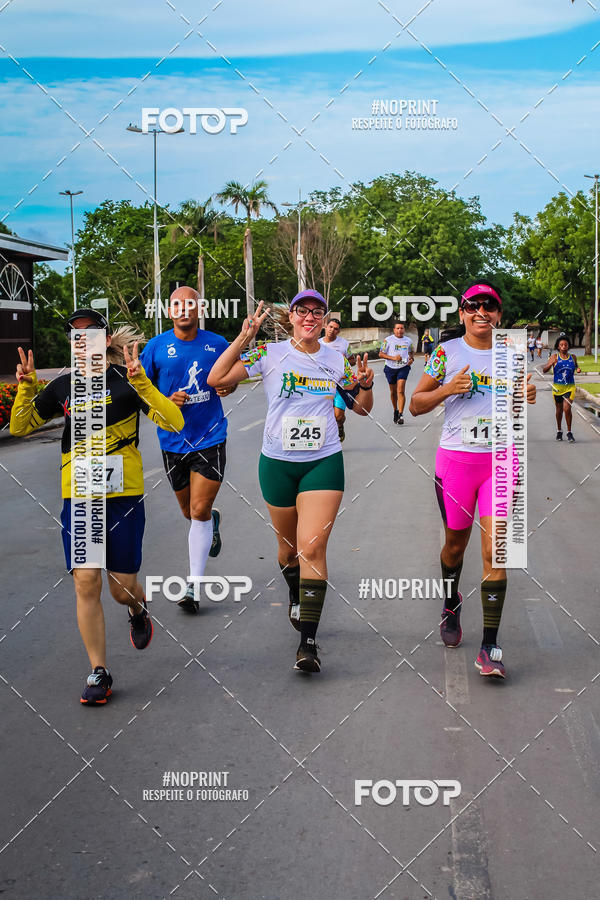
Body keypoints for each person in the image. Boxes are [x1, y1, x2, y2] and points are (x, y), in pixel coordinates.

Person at [10, 310, 184, 704]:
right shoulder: (63, 387)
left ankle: (137, 609)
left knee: (121, 589)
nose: (82, 339)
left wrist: (144, 384)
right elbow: (20, 427)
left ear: (106, 341)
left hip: (122, 496)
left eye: (90, 333)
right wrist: (25, 387)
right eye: (75, 335)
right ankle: (98, 672)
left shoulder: (127, 379)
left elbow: (173, 422)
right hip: (80, 498)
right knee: (85, 582)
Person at [207, 288, 374, 673]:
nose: (310, 318)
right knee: (287, 552)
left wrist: (365, 384)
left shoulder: (337, 360)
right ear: (292, 317)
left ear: (324, 318)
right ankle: (296, 594)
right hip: (277, 464)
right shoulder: (270, 354)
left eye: (318, 312)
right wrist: (245, 336)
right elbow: (217, 378)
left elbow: (363, 410)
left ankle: (308, 642)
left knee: (311, 549)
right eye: (303, 311)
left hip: (323, 463)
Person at [409, 281, 536, 679]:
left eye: (490, 306)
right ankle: (451, 601)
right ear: (462, 312)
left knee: (497, 552)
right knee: (454, 545)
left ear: (499, 314)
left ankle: (490, 647)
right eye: (473, 305)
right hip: (456, 463)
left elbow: (513, 404)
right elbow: (415, 405)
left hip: (501, 459)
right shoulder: (444, 353)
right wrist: (448, 388)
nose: (481, 312)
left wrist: (525, 395)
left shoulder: (512, 354)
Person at [140, 286, 235, 614]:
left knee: (197, 511)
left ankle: (193, 586)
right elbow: (142, 393)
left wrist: (229, 384)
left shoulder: (217, 344)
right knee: (189, 512)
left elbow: (231, 378)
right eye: (177, 305)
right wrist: (165, 402)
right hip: (173, 443)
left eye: (189, 304)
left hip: (210, 438)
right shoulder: (155, 347)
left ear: (199, 308)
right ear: (169, 311)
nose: (183, 309)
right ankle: (213, 522)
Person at [319, 316, 356, 442]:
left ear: (338, 331)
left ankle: (340, 425)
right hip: (322, 385)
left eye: (335, 329)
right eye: (330, 327)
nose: (332, 330)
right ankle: (328, 438)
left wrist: (341, 361)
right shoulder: (317, 343)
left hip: (341, 385)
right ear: (325, 326)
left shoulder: (344, 344)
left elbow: (353, 360)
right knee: (325, 414)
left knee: (338, 416)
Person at [542, 335, 581, 442]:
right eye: (561, 345)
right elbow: (544, 370)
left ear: (568, 346)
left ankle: (569, 432)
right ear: (558, 347)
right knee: (559, 410)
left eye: (565, 345)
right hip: (557, 388)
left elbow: (576, 366)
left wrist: (578, 369)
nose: (564, 346)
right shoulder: (554, 357)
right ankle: (559, 431)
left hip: (570, 387)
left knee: (567, 409)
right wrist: (549, 364)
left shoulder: (573, 357)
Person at [379, 322, 414, 424]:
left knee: (401, 390)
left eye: (402, 328)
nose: (400, 330)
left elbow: (411, 352)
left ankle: (401, 414)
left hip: (403, 367)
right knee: (393, 392)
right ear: (394, 330)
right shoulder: (388, 340)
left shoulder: (408, 341)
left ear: (404, 330)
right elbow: (381, 354)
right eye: (398, 328)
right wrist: (393, 358)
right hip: (390, 368)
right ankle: (395, 410)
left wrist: (411, 359)